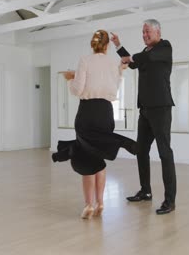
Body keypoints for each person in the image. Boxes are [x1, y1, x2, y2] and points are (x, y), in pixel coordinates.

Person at [52, 30, 137, 219]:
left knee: (86, 157)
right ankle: (100, 202)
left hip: (87, 113)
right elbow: (115, 88)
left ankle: (89, 205)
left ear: (93, 44)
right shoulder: (113, 63)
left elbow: (77, 89)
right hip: (106, 113)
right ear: (107, 45)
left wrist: (70, 79)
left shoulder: (85, 60)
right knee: (99, 157)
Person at [110, 19, 177, 215]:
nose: (145, 35)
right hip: (145, 110)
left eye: (147, 32)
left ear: (158, 31)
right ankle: (145, 191)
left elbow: (140, 60)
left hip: (161, 108)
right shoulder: (145, 53)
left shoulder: (164, 47)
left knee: (165, 153)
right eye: (143, 32)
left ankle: (170, 200)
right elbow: (132, 64)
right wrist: (118, 46)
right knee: (141, 150)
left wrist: (131, 58)